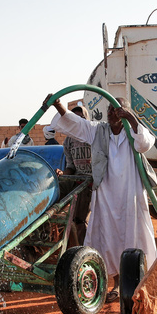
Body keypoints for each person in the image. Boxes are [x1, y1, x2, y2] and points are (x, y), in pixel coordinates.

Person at [48, 95, 157, 300]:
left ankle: (138, 282)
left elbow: (144, 144)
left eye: (116, 109)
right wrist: (59, 106)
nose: (111, 113)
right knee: (108, 237)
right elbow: (77, 124)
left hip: (130, 193)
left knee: (133, 236)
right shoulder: (98, 130)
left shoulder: (134, 132)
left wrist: (132, 119)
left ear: (125, 111)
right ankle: (115, 284)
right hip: (106, 194)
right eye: (109, 109)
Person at [61, 104, 93, 246]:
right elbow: (70, 167)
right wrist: (63, 175)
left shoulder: (93, 135)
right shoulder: (68, 141)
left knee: (82, 219)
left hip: (96, 182)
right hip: (81, 182)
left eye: (81, 119)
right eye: (75, 119)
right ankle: (79, 248)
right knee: (76, 219)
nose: (78, 123)